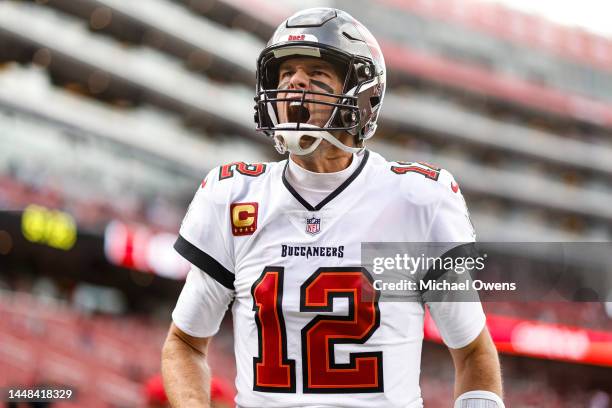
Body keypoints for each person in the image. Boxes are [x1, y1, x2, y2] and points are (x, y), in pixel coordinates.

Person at [162, 7, 503, 408]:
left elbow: (473, 353)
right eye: (285, 74)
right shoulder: (234, 196)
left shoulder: (416, 200)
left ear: (362, 96)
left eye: (317, 75)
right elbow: (184, 344)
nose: (294, 85)